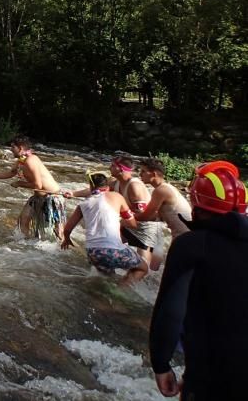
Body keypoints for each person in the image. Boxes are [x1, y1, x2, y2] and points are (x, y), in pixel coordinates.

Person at [149, 161, 248, 399]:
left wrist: (161, 363)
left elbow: (171, 310)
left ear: (196, 205)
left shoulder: (191, 245)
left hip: (213, 373)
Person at [61, 171, 148, 285]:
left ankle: (106, 298)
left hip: (93, 252)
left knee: (107, 281)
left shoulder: (82, 205)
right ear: (107, 185)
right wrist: (119, 221)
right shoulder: (117, 196)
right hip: (113, 249)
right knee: (142, 268)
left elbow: (67, 229)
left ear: (91, 186)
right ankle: (122, 290)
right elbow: (132, 224)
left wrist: (66, 239)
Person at [0, 136, 65, 240]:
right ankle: (26, 245)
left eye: (12, 147)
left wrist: (19, 183)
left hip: (52, 198)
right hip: (38, 197)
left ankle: (63, 251)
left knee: (58, 232)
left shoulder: (31, 160)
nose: (11, 149)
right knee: (22, 221)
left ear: (20, 148)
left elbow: (38, 185)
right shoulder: (21, 161)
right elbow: (10, 173)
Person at [136, 157, 191, 241]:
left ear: (154, 174)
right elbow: (155, 215)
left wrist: (126, 216)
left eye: (143, 171)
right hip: (184, 234)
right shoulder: (166, 187)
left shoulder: (161, 190)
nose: (140, 174)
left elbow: (146, 216)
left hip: (182, 237)